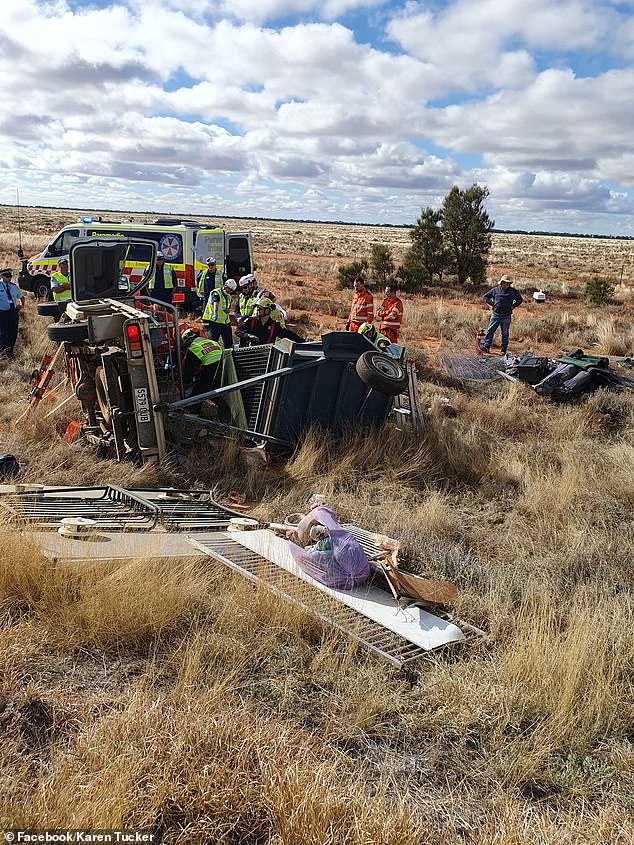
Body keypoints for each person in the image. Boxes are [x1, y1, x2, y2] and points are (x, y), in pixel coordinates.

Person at [236, 297, 306, 347]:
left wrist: (303, 341)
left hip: (266, 355)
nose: (258, 310)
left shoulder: (274, 326)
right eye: (258, 308)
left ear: (267, 310)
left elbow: (288, 334)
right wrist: (248, 336)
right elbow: (238, 331)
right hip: (249, 354)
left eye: (260, 309)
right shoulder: (251, 321)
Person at [481, 274, 523, 354]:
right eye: (505, 282)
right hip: (495, 315)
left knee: (505, 332)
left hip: (506, 315)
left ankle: (503, 349)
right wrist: (492, 303)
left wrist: (514, 306)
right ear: (501, 282)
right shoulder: (495, 290)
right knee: (490, 330)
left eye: (508, 283)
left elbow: (520, 300)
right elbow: (485, 297)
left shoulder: (513, 291)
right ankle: (487, 346)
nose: (507, 284)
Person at [180, 327, 223, 398]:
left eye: (187, 344)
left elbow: (189, 369)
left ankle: (192, 408)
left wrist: (186, 382)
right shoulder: (212, 342)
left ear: (189, 340)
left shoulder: (193, 348)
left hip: (211, 370)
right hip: (224, 366)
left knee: (198, 393)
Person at [202, 278, 237, 348]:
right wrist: (215, 313)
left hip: (225, 322)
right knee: (213, 342)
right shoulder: (216, 292)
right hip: (216, 321)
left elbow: (227, 306)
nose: (230, 292)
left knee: (228, 342)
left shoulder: (228, 296)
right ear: (225, 286)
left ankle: (228, 357)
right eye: (230, 290)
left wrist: (228, 310)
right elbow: (215, 303)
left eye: (232, 291)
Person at [0, 268, 24, 358]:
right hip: (2, 313)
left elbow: (21, 297)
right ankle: (4, 352)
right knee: (3, 333)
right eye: (7, 276)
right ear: (2, 276)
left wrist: (21, 305)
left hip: (13, 312)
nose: (9, 278)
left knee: (13, 332)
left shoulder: (13, 286)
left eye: (10, 276)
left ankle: (10, 350)